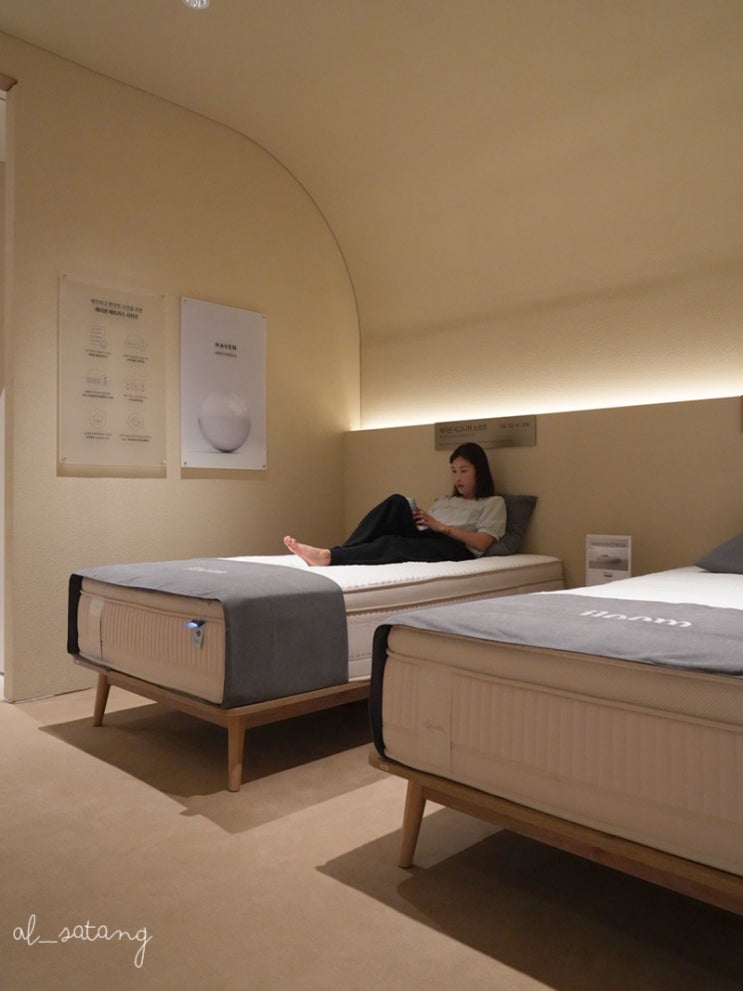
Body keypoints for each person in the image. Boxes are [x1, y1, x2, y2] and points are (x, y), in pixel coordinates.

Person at [283, 442, 506, 566]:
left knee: (392, 543)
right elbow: (427, 526)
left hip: (455, 548)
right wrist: (423, 521)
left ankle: (328, 557)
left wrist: (443, 528)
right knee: (397, 501)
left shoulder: (493, 503)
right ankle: (341, 550)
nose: (458, 478)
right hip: (429, 534)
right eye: (454, 471)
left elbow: (483, 543)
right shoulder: (445, 500)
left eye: (464, 471)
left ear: (479, 471)